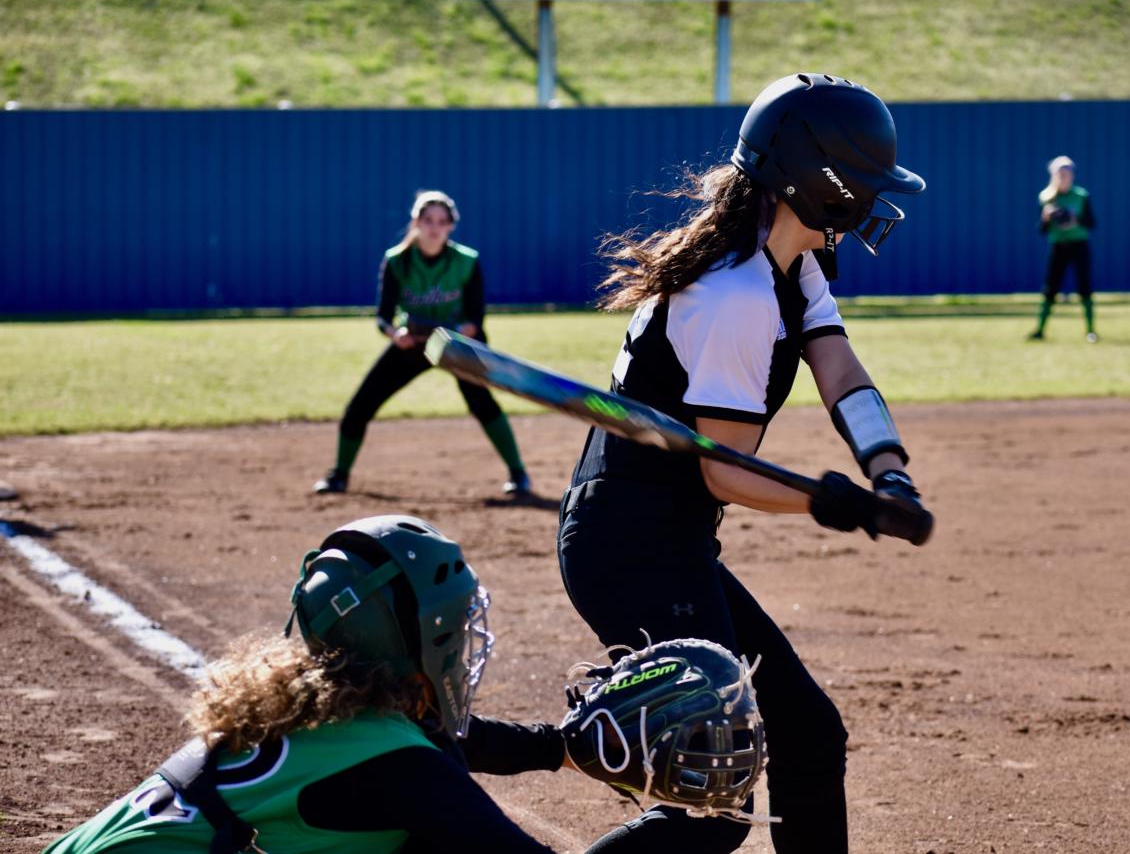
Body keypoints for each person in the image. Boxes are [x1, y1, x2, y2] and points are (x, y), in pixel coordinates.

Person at [556, 73, 932, 854]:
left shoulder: (790, 265)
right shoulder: (734, 296)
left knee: (807, 735)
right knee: (711, 800)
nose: (871, 200)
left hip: (665, 538)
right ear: (820, 183)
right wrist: (835, 503)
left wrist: (886, 470)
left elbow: (840, 371)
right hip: (627, 546)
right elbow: (724, 472)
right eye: (863, 184)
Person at [43, 515, 570, 853]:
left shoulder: (320, 715)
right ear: (412, 642)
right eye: (452, 627)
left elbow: (447, 742)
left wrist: (561, 745)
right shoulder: (400, 767)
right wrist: (653, 831)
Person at [313, 190, 531, 497]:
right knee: (359, 406)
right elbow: (383, 317)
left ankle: (518, 474)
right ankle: (338, 475)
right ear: (415, 221)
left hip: (456, 347)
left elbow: (475, 320)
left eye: (442, 221)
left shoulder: (466, 261)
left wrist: (460, 331)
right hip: (411, 346)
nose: (434, 227)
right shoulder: (397, 260)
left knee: (482, 404)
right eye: (428, 220)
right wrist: (394, 334)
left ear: (451, 226)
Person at [1028, 155, 1098, 342]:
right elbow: (1041, 230)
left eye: (1067, 173)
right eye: (1060, 173)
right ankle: (1040, 330)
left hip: (1079, 245)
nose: (1064, 176)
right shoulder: (1047, 197)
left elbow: (1092, 223)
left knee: (1084, 287)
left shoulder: (1081, 196)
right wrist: (1046, 217)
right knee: (1050, 288)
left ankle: (1091, 331)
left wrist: (1075, 218)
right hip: (1058, 246)